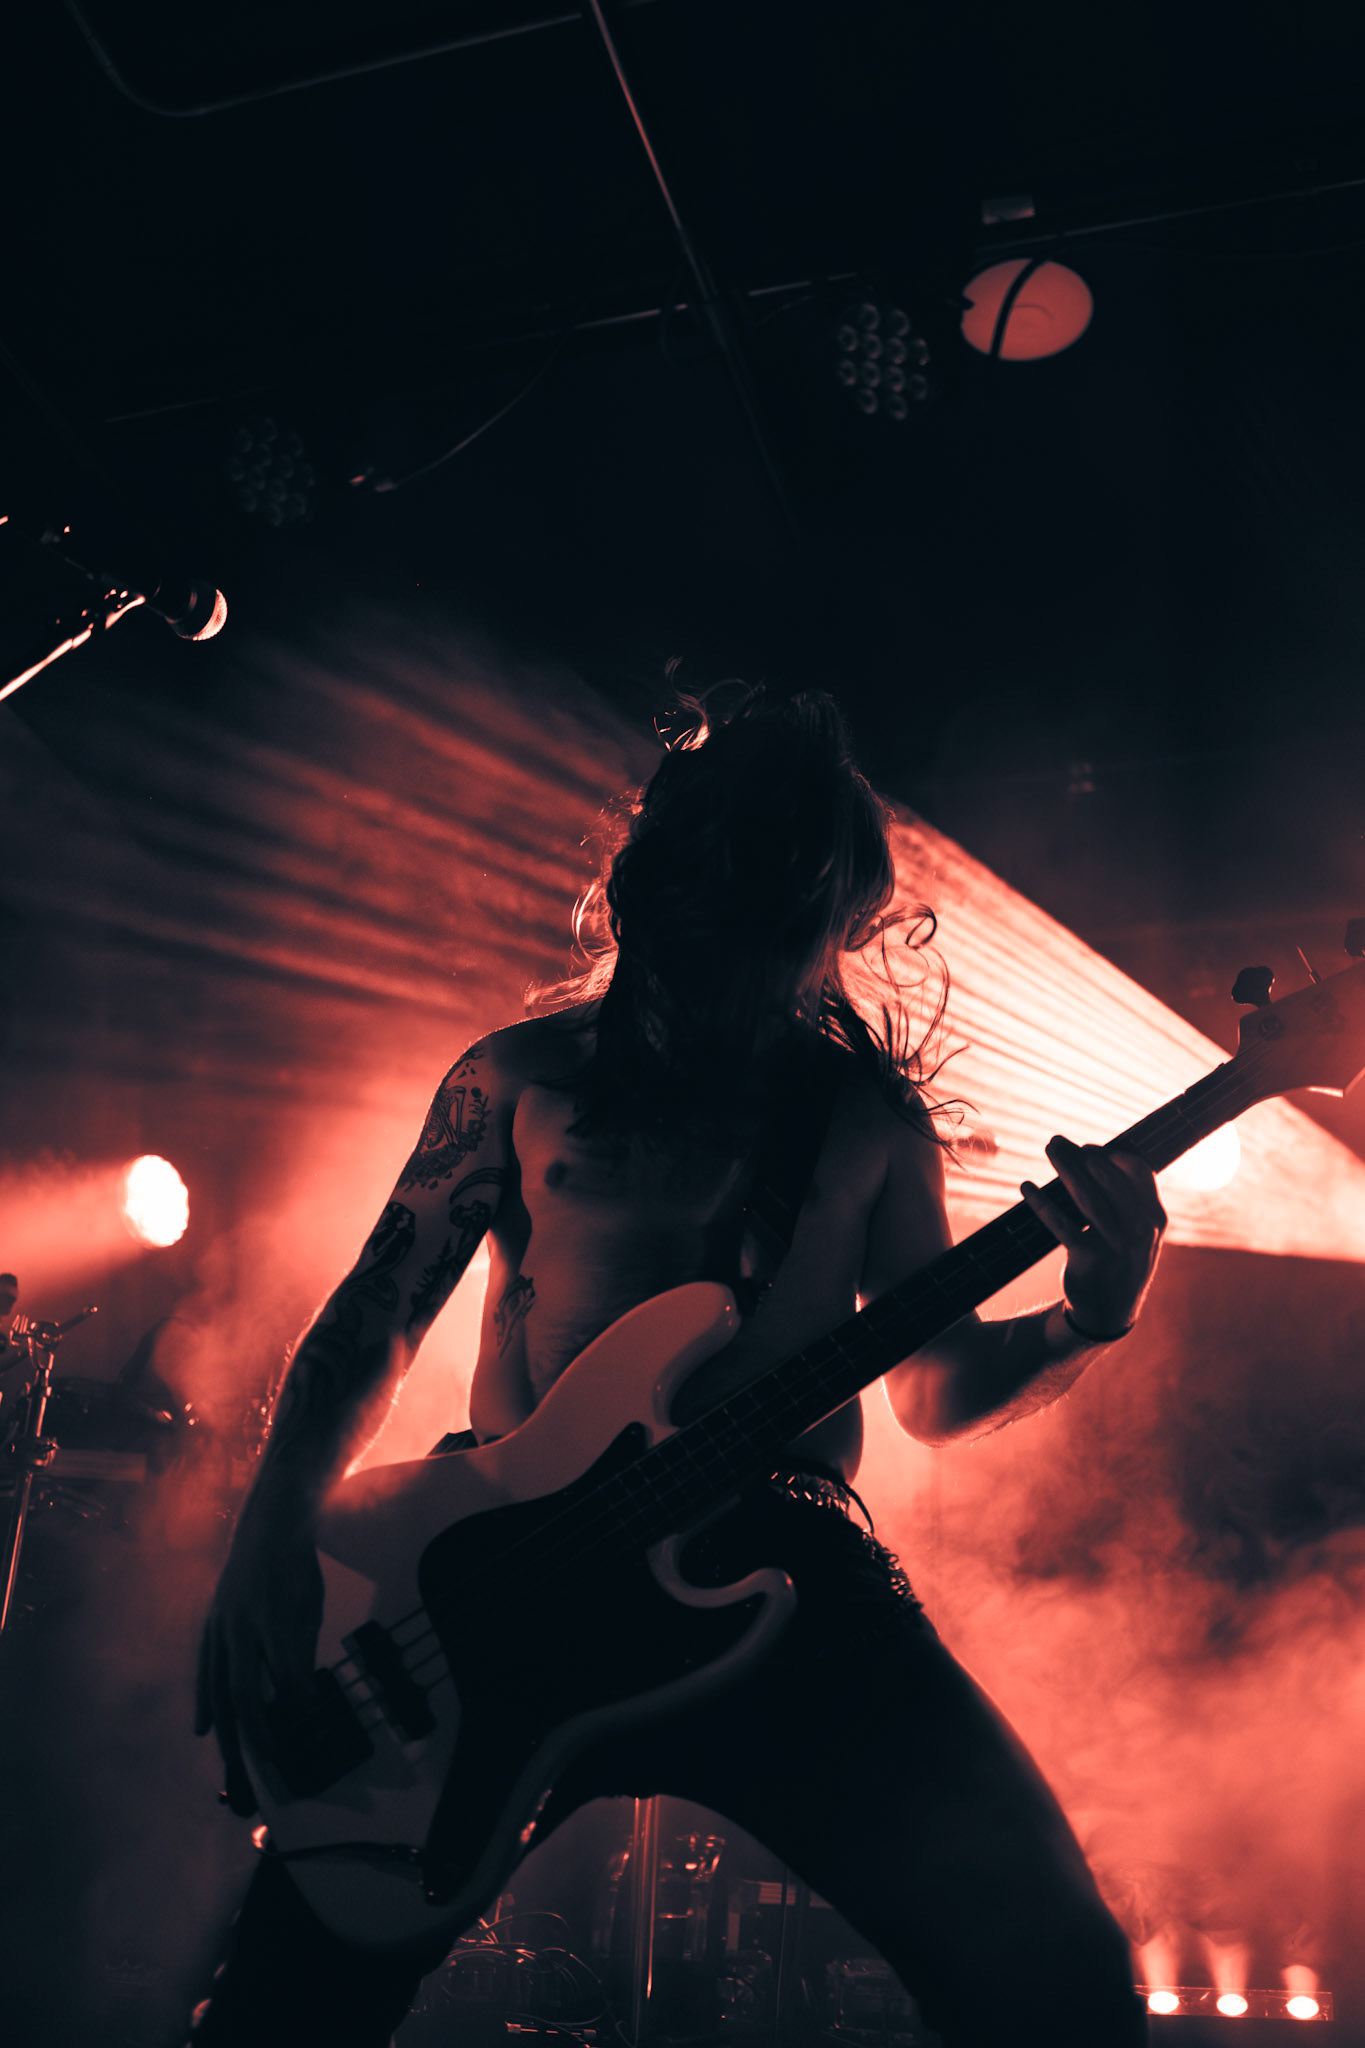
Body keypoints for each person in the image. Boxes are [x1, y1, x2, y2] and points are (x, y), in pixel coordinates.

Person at [191, 691, 1165, 2046]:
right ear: (658, 881)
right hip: (505, 1575)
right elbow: (374, 1317)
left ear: (831, 921)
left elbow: (932, 1391)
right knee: (284, 2011)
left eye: (793, 907)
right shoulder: (520, 1078)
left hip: (788, 1577)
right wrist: (273, 1531)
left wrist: (1084, 1321)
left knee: (1057, 1984)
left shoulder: (868, 1127)